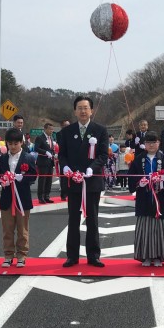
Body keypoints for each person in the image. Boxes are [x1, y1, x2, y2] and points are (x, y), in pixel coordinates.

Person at [58, 96, 109, 268]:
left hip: (92, 180)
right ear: (75, 111)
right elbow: (62, 155)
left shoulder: (100, 130)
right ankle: (72, 256)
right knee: (73, 219)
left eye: (86, 108)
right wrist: (64, 167)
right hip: (73, 180)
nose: (83, 111)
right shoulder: (66, 131)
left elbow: (103, 155)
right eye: (79, 108)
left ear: (91, 110)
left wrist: (92, 169)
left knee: (92, 218)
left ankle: (93, 256)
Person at [128, 132, 164, 266]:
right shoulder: (138, 159)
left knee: (160, 228)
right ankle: (146, 256)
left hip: (161, 198)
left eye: (154, 142)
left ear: (159, 143)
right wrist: (139, 182)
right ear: (145, 144)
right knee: (146, 227)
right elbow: (131, 178)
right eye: (148, 143)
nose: (151, 145)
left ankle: (159, 256)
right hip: (144, 198)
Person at [0, 128, 38, 267]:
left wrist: (22, 178)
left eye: (16, 143)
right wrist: (3, 179)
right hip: (7, 198)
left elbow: (34, 175)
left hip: (23, 198)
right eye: (10, 144)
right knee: (7, 229)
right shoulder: (2, 158)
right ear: (6, 144)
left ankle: (21, 255)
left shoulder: (28, 157)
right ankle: (8, 255)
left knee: (22, 228)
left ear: (21, 143)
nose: (13, 146)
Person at [34, 122, 56, 203]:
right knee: (42, 180)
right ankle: (41, 197)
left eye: (52, 129)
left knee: (49, 180)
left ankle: (47, 196)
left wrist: (54, 154)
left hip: (50, 162)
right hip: (42, 162)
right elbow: (36, 148)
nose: (52, 131)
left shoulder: (51, 138)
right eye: (50, 129)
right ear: (45, 129)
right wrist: (45, 152)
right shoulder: (40, 138)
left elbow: (51, 149)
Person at [58, 119, 71, 200]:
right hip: (63, 157)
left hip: (72, 157)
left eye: (68, 125)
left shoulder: (73, 132)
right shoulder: (60, 134)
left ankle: (70, 193)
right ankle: (63, 194)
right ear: (62, 126)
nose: (67, 126)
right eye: (66, 125)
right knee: (64, 177)